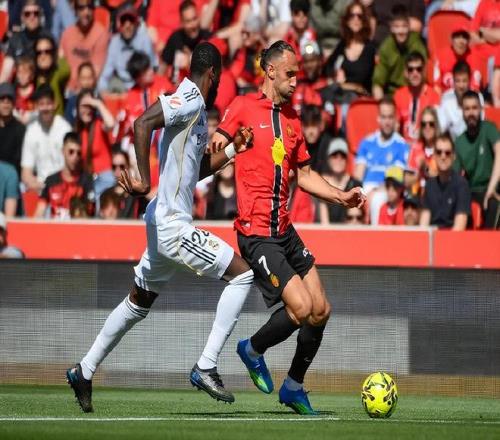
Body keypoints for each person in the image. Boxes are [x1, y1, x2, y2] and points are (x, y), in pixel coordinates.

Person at [66, 42, 255, 413]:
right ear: (213, 74)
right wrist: (143, 177)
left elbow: (194, 169)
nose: (220, 86)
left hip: (162, 222)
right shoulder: (191, 98)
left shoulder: (196, 109)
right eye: (219, 79)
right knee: (242, 275)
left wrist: (233, 150)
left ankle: (84, 370)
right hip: (172, 225)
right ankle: (206, 366)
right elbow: (143, 123)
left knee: (139, 300)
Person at [211, 40, 365, 415]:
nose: (296, 80)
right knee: (300, 307)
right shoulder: (242, 107)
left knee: (321, 309)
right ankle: (252, 349)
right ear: (270, 71)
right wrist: (228, 147)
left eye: (298, 74)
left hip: (284, 230)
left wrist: (341, 196)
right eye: (290, 73)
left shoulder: (293, 119)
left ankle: (293, 386)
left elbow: (305, 175)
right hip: (256, 233)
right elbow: (213, 153)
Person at [354, 97, 409, 223]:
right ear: (378, 118)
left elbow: (396, 179)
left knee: (377, 200)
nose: (387, 122)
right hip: (366, 188)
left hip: (387, 190)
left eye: (390, 117)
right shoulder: (367, 142)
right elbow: (358, 176)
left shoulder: (401, 145)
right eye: (384, 117)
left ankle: (376, 234)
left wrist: (373, 192)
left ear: (395, 119)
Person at [454, 90, 500, 229]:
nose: (471, 113)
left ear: (480, 109)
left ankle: (489, 241)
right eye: (467, 109)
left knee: (493, 204)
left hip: (492, 188)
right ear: (462, 112)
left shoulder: (489, 129)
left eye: (474, 108)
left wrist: (491, 189)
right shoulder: (460, 141)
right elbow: (455, 177)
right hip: (472, 190)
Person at [21, 85, 71, 191]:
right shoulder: (31, 131)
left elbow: (72, 166)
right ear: (36, 106)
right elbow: (26, 172)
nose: (45, 108)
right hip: (40, 186)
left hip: (62, 186)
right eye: (41, 104)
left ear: (54, 104)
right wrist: (39, 186)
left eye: (48, 103)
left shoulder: (65, 129)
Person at [372, 4, 427, 99]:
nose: (401, 31)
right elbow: (378, 82)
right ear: (391, 28)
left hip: (413, 92)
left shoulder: (417, 44)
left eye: (404, 26)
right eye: (397, 27)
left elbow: (423, 73)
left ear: (409, 27)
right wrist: (381, 102)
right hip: (392, 94)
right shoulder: (386, 47)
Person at [97, 6, 157, 93]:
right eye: (123, 21)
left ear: (136, 23)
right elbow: (106, 73)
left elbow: (152, 67)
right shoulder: (114, 42)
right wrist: (102, 92)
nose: (127, 25)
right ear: (119, 25)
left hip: (141, 84)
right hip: (122, 86)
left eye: (131, 21)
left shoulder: (144, 39)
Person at [35, 132, 94, 219]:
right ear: (63, 151)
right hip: (55, 226)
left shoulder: (86, 180)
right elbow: (39, 213)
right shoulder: (51, 181)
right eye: (71, 152)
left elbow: (89, 213)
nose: (75, 156)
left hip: (76, 226)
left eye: (78, 153)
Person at [325, 0, 376, 100]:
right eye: (352, 16)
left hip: (361, 98)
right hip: (342, 94)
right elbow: (328, 67)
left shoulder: (369, 48)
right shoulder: (342, 44)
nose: (355, 19)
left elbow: (361, 78)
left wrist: (344, 84)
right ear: (347, 20)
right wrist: (335, 73)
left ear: (364, 21)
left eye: (359, 16)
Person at [420, 134, 471, 230]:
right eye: (439, 152)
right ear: (434, 156)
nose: (443, 156)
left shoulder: (462, 185)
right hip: (432, 237)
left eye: (447, 153)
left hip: (453, 237)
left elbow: (459, 227)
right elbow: (424, 225)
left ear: (454, 156)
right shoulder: (429, 185)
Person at [74, 89, 116, 205]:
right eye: (84, 106)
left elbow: (111, 124)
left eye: (90, 106)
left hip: (106, 178)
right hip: (88, 180)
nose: (87, 109)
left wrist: (97, 103)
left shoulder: (99, 124)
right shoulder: (78, 131)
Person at [60, 0, 110, 92]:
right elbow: (60, 62)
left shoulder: (101, 34)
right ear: (75, 10)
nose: (86, 12)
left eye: (89, 7)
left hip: (87, 89)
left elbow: (95, 73)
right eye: (81, 8)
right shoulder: (67, 33)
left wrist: (78, 91)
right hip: (66, 88)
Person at [159, 0, 211, 84]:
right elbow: (162, 70)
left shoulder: (207, 38)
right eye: (188, 21)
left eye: (194, 19)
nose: (193, 25)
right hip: (175, 87)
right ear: (182, 23)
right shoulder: (175, 38)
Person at [393, 52, 440, 143]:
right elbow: (395, 127)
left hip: (426, 145)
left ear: (424, 71)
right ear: (406, 73)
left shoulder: (433, 96)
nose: (415, 73)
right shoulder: (399, 95)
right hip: (404, 145)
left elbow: (436, 130)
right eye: (411, 70)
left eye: (419, 69)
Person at [0, 0, 47, 83]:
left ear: (40, 16)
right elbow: (6, 71)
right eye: (27, 14)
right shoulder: (16, 39)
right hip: (19, 85)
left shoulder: (47, 39)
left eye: (36, 13)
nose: (32, 17)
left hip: (40, 84)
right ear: (22, 17)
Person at [318, 138, 362, 224]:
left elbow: (356, 219)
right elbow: (324, 222)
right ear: (328, 159)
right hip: (328, 230)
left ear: (347, 160)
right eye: (334, 155)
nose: (338, 159)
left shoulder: (355, 184)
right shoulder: (322, 184)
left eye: (342, 156)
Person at [438, 61, 485, 141]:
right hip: (453, 144)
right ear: (453, 81)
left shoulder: (478, 97)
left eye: (464, 81)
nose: (461, 86)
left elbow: (481, 125)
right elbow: (441, 129)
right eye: (458, 81)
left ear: (469, 80)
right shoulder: (446, 99)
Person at [432, 24, 483, 93]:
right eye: (457, 37)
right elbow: (436, 87)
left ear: (468, 41)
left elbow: (475, 90)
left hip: (467, 97)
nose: (461, 41)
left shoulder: (475, 57)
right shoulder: (440, 56)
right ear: (451, 40)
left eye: (464, 37)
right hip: (445, 97)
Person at [406, 106, 440, 193]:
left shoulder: (441, 148)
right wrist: (418, 174)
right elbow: (406, 181)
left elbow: (443, 179)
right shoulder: (416, 148)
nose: (427, 127)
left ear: (436, 126)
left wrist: (425, 168)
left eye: (431, 124)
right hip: (417, 195)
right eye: (424, 124)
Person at [34, 34, 70, 115]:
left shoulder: (58, 73)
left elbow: (66, 70)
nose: (43, 56)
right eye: (39, 52)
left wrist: (59, 57)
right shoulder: (33, 76)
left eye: (47, 52)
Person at [0, 83, 26, 177]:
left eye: (9, 99)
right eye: (2, 99)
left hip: (12, 176)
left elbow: (19, 162)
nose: (6, 102)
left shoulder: (20, 130)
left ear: (14, 104)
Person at [14, 56, 36, 124]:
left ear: (32, 75)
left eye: (25, 72)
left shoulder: (36, 93)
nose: (22, 75)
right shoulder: (13, 93)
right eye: (19, 72)